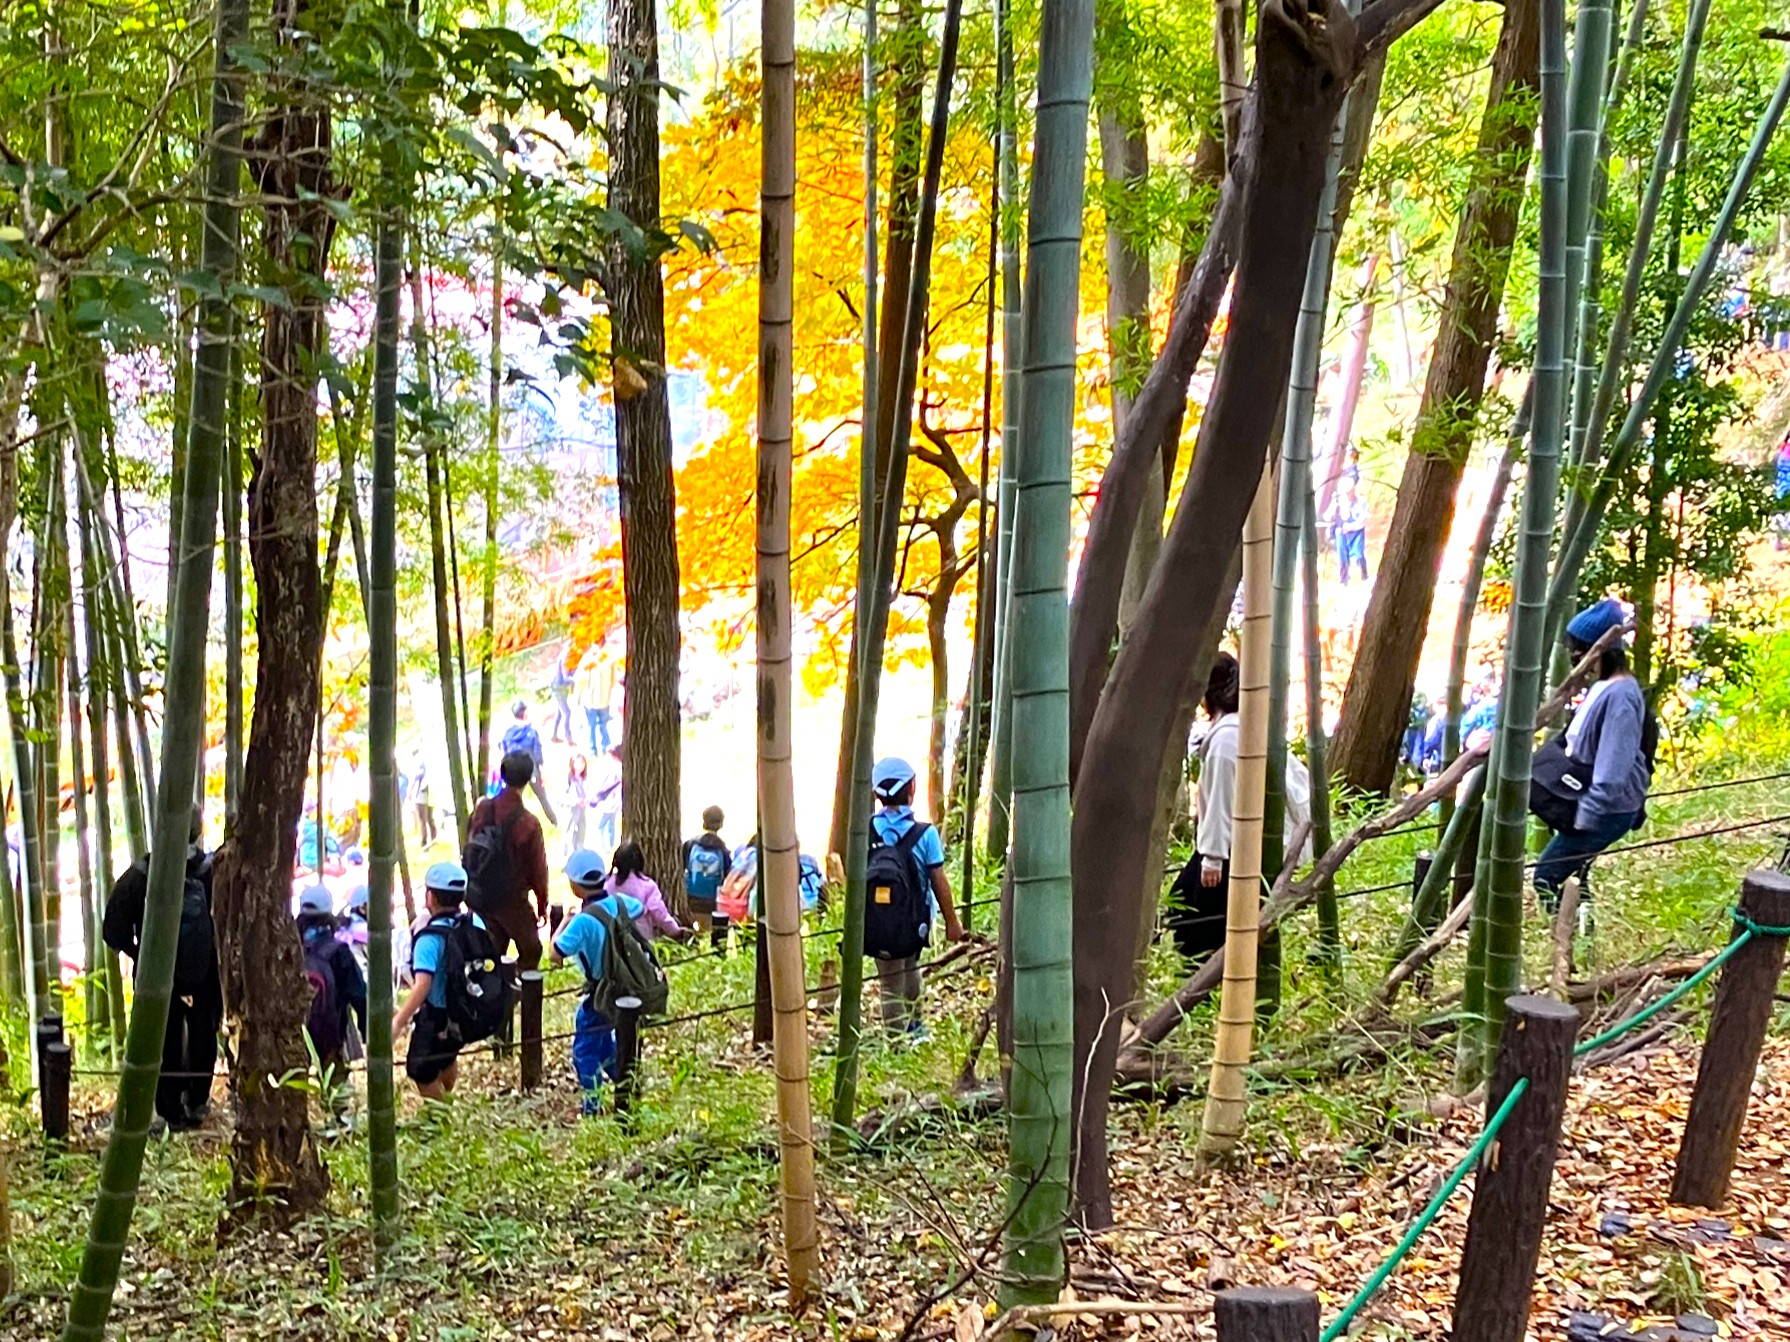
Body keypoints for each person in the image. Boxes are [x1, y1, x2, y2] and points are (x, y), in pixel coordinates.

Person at [1163, 653, 1313, 966]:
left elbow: (1220, 801)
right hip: (1251, 843)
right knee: (1182, 903)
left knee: (1191, 923)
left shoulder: (1226, 741)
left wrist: (1212, 857)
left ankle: (1201, 982)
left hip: (1235, 850)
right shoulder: (1242, 728)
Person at [102, 806, 221, 1132]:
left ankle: (170, 1113)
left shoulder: (142, 873)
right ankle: (197, 1102)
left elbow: (112, 929)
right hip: (205, 971)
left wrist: (140, 954)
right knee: (203, 1032)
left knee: (163, 1038)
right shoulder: (213, 870)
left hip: (157, 973)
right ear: (198, 830)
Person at [1532, 599, 1653, 906]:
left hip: (1606, 808)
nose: (1575, 657)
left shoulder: (1621, 695)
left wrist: (1586, 815)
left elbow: (1614, 766)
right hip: (1585, 798)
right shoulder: (1603, 686)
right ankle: (1582, 925)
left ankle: (1564, 930)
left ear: (1600, 650)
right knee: (1576, 875)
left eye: (1580, 650)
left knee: (1546, 877)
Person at [867, 756, 965, 1037]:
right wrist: (953, 923)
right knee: (910, 966)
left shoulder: (866, 830)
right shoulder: (925, 833)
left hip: (877, 922)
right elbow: (939, 881)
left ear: (876, 793)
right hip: (915, 921)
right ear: (911, 789)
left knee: (890, 982)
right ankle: (912, 1031)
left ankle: (896, 1038)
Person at [550, 849, 645, 1115]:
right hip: (625, 988)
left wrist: (563, 923)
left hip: (599, 994)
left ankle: (592, 1106)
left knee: (584, 1053)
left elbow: (555, 954)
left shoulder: (582, 922)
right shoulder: (621, 903)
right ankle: (628, 1087)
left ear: (576, 886)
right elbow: (640, 908)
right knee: (604, 1046)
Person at [464, 750, 552, 970]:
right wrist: (542, 904)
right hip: (511, 899)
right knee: (531, 949)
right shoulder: (528, 823)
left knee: (490, 952)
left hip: (479, 892)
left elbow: (469, 843)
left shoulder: (482, 808)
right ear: (528, 778)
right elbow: (538, 870)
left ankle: (494, 986)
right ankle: (522, 985)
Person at [393, 861, 472, 1100]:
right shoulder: (471, 923)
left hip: (437, 1016)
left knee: (421, 1070)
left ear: (431, 897)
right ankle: (446, 1097)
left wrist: (398, 1022)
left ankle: (441, 1113)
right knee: (447, 1056)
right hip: (466, 1009)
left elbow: (422, 985)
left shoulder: (429, 939)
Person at [297, 886, 368, 1091]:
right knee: (336, 1085)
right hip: (331, 1030)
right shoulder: (339, 951)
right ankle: (338, 1109)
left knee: (293, 1083)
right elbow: (359, 994)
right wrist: (367, 1031)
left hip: (294, 1031)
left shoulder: (289, 949)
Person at [606, 839, 687, 942]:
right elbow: (659, 913)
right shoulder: (647, 886)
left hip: (612, 940)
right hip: (641, 941)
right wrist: (675, 931)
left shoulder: (607, 885)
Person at [500, 700, 558, 825]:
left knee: (514, 799)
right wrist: (543, 774)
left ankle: (510, 824)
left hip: (513, 772)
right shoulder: (531, 733)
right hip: (531, 771)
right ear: (524, 713)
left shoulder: (508, 734)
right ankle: (554, 822)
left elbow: (504, 752)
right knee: (543, 797)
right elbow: (538, 755)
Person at [682, 805, 732, 946]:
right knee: (710, 934)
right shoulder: (723, 850)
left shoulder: (691, 845)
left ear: (704, 821)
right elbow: (727, 875)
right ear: (721, 824)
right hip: (712, 901)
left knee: (696, 931)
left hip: (692, 898)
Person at [1328, 479, 1369, 585]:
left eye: (1350, 491)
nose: (1348, 494)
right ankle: (1344, 580)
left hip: (1357, 532)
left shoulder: (1362, 502)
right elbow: (1327, 516)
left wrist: (1351, 527)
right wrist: (1333, 512)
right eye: (1346, 492)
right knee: (1342, 556)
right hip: (1342, 533)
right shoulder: (1338, 502)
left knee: (1359, 554)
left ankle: (1364, 576)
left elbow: (1363, 519)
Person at [576, 644, 615, 752]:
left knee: (600, 725)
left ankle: (604, 748)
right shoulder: (588, 660)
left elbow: (613, 680)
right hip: (591, 701)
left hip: (601, 700)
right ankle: (596, 749)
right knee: (594, 726)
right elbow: (580, 680)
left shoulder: (607, 659)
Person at [590, 743, 624, 855]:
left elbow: (606, 785)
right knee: (611, 824)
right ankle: (611, 845)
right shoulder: (620, 767)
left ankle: (604, 848)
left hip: (609, 801)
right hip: (615, 802)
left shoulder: (612, 767)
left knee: (601, 826)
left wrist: (597, 795)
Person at [563, 752, 593, 858]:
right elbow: (562, 796)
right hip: (571, 809)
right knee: (570, 830)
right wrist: (575, 800)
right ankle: (569, 853)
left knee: (581, 828)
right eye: (577, 763)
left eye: (582, 763)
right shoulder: (568, 778)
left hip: (582, 808)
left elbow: (588, 790)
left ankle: (579, 850)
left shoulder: (584, 778)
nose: (580, 766)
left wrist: (587, 799)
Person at [548, 644, 578, 744]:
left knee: (560, 712)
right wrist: (577, 679)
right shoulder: (566, 656)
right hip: (559, 687)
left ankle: (553, 736)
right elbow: (566, 677)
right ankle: (569, 738)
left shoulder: (568, 654)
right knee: (567, 713)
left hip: (560, 686)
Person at [408, 753, 435, 847]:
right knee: (429, 818)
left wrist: (410, 791)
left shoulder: (417, 762)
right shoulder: (427, 761)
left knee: (422, 818)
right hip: (430, 792)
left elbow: (415, 778)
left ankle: (424, 841)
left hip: (420, 792)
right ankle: (433, 838)